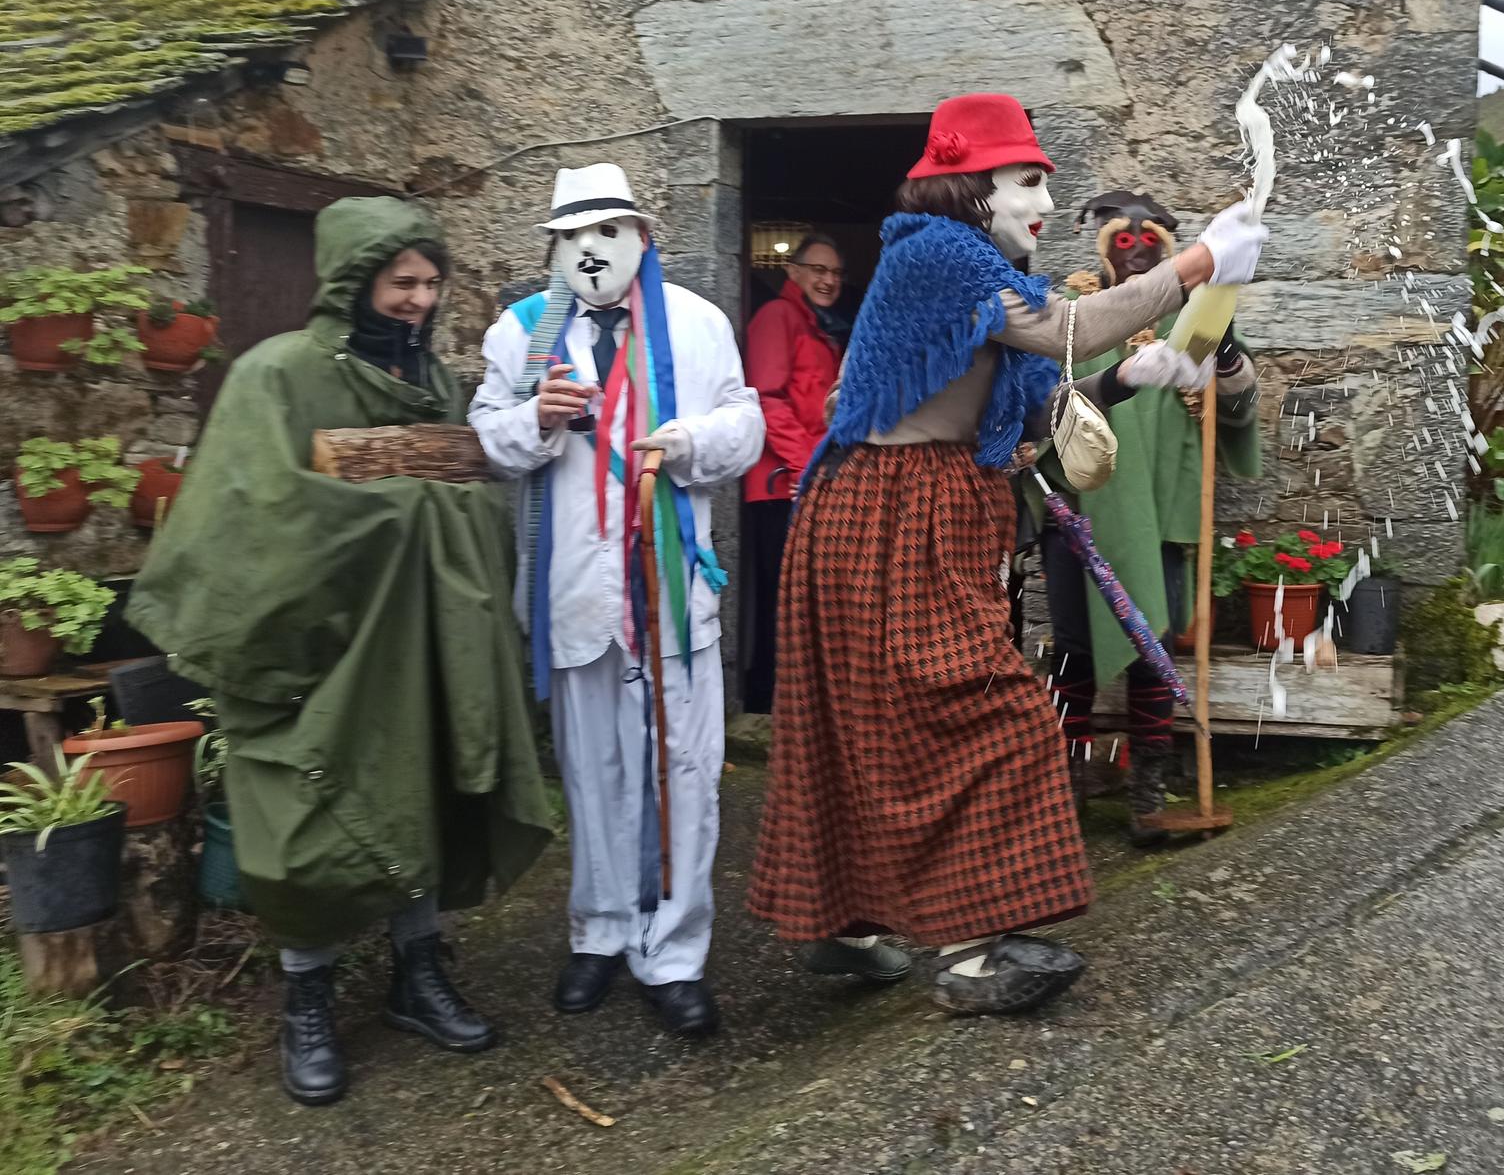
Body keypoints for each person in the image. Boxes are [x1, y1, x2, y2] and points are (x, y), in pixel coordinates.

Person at [749, 92, 1268, 1015]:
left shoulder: (991, 275)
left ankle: (852, 927)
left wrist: (1139, 374)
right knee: (986, 715)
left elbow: (1038, 403)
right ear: (967, 187)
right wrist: (1196, 265)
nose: (1043, 203)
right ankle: (970, 947)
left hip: (929, 511)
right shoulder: (933, 252)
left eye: (1044, 183)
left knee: (879, 722)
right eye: (1025, 181)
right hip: (878, 512)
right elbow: (1059, 333)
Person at [125, 197, 552, 1107]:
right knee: (305, 820)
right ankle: (307, 997)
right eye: (403, 282)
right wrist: (402, 505)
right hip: (316, 651)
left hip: (413, 644)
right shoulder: (275, 377)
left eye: (431, 283)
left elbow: (471, 490)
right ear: (353, 281)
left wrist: (430, 496)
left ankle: (417, 974)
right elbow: (253, 518)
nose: (419, 300)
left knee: (419, 794)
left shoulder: (432, 382)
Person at [471, 163, 764, 1038]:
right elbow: (489, 438)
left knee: (685, 775)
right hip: (577, 596)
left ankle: (673, 954)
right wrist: (537, 419)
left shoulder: (701, 324)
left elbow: (746, 426)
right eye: (573, 236)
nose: (591, 249)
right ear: (555, 248)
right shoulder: (521, 334)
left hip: (672, 596)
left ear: (641, 236)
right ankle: (597, 936)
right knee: (592, 774)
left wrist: (689, 441)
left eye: (607, 231)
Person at [1038, 191, 1262, 842]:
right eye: (1122, 244)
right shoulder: (1074, 320)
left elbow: (1241, 413)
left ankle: (1147, 794)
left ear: (1169, 249)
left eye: (1148, 246)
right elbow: (1039, 407)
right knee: (1075, 653)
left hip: (1157, 520)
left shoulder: (1194, 320)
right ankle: (1066, 787)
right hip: (1079, 520)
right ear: (1101, 248)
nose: (1135, 256)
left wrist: (1225, 361)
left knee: (1151, 646)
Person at [740, 234, 848, 713]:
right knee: (783, 602)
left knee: (809, 601)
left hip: (806, 485)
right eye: (818, 270)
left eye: (835, 273)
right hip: (781, 486)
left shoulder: (823, 326)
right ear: (794, 272)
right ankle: (769, 705)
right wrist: (811, 470)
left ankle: (798, 705)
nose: (828, 280)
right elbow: (767, 400)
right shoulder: (777, 318)